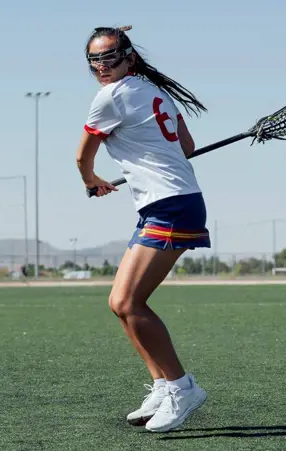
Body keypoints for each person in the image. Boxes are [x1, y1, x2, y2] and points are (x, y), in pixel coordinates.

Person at [75, 25, 210, 433]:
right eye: (94, 60)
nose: (102, 66)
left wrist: (91, 181)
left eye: (109, 57)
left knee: (131, 302)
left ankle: (182, 388)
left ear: (129, 57)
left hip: (170, 205)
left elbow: (82, 156)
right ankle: (163, 385)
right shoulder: (155, 93)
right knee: (120, 303)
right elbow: (185, 147)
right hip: (166, 203)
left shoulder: (111, 96)